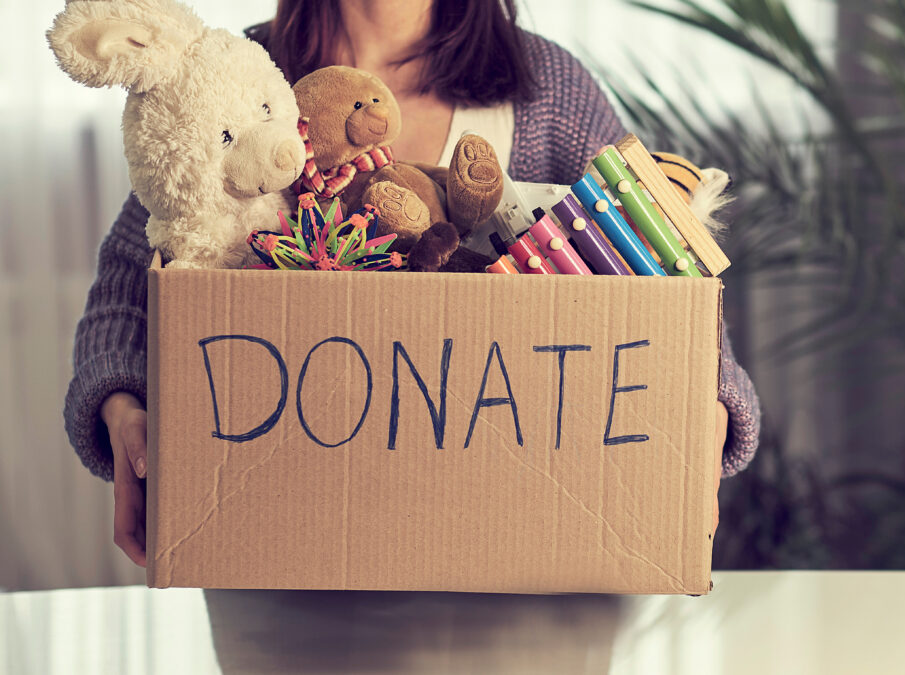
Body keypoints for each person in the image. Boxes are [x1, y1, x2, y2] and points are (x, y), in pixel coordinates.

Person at [65, 0, 760, 567]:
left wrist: (711, 408)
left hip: (533, 583)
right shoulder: (231, 75)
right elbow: (132, 279)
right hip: (280, 566)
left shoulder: (547, 87)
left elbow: (668, 285)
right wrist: (123, 409)